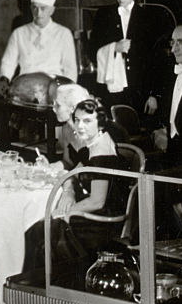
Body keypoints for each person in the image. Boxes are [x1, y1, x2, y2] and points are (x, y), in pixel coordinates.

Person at [23, 99, 127, 273]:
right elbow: (72, 173)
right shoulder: (92, 145)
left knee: (39, 231)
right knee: (38, 230)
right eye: (77, 120)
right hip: (89, 213)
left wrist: (64, 213)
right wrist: (69, 191)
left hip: (101, 222)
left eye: (87, 121)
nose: (79, 126)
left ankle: (42, 287)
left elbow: (97, 202)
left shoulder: (101, 153)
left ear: (100, 124)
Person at [0, 0, 78, 94]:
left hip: (54, 93)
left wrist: (63, 93)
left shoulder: (63, 34)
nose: (38, 13)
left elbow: (70, 71)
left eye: (43, 8)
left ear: (52, 9)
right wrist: (4, 80)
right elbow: (8, 63)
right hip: (24, 92)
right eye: (34, 7)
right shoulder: (19, 33)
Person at [88, 0, 162, 111]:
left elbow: (155, 59)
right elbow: (92, 51)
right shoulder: (103, 15)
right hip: (111, 89)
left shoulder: (148, 17)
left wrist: (154, 95)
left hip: (140, 89)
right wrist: (114, 48)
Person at [146, 23, 182, 179]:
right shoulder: (175, 71)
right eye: (173, 42)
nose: (174, 49)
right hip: (176, 151)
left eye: (181, 43)